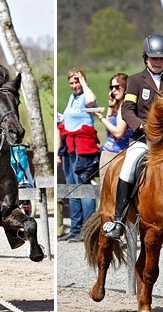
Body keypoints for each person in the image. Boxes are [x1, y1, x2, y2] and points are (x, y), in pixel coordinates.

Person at [102, 34, 163, 241]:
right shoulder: (136, 81)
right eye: (153, 58)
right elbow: (127, 110)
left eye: (161, 58)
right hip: (142, 140)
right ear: (145, 58)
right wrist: (142, 125)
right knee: (127, 168)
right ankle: (119, 220)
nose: (157, 62)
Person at [58, 68, 100, 242]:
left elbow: (91, 101)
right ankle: (75, 229)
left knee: (85, 188)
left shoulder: (86, 96)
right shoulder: (72, 98)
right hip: (70, 146)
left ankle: (87, 228)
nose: (74, 86)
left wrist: (83, 81)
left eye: (77, 82)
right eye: (72, 83)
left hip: (84, 148)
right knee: (72, 188)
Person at [94, 72, 133, 182]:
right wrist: (111, 107)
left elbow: (118, 133)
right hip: (109, 152)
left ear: (126, 88)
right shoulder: (119, 106)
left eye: (117, 87)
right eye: (111, 87)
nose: (113, 90)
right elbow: (109, 129)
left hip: (117, 155)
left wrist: (100, 118)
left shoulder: (125, 106)